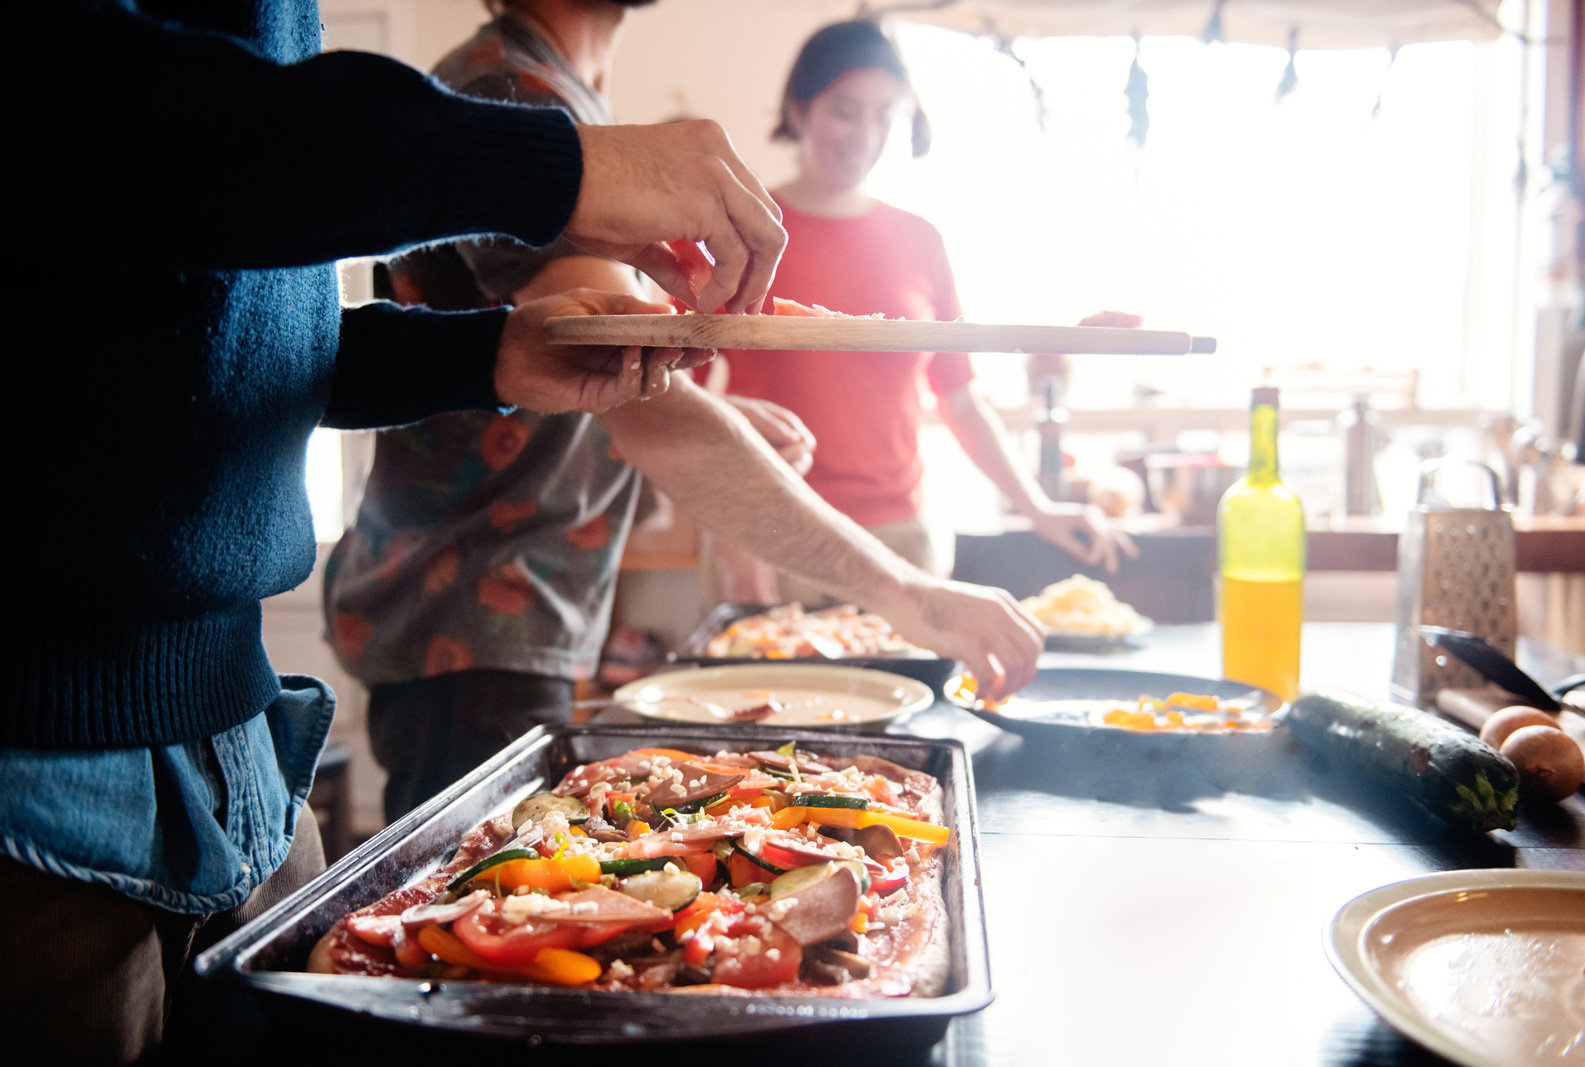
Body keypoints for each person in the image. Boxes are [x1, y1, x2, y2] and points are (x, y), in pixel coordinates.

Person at [3, 2, 788, 1061]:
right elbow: (109, 114)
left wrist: (479, 359)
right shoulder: (511, 85)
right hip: (36, 767)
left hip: (243, 751)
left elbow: (212, 316)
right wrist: (545, 166)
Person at [323, 0, 1045, 825]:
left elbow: (623, 378)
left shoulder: (565, 90)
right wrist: (908, 593)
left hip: (509, 611)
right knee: (474, 921)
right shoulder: (510, 88)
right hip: (472, 614)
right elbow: (643, 411)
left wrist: (704, 408)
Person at [710, 20, 1139, 607]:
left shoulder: (920, 241)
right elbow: (672, 394)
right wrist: (735, 533)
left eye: (885, 113)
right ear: (799, 108)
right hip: (771, 537)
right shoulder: (740, 233)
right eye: (845, 109)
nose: (865, 133)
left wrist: (1037, 507)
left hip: (901, 545)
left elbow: (959, 397)